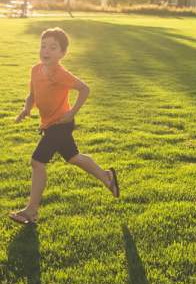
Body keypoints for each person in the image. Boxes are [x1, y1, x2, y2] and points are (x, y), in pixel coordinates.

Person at [8, 27, 118, 224]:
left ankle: (31, 211)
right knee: (74, 157)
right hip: (49, 125)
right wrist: (26, 109)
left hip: (61, 124)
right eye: (43, 46)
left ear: (62, 53)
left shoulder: (60, 74)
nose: (46, 51)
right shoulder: (35, 70)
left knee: (37, 162)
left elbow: (85, 89)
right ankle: (107, 177)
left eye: (53, 47)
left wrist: (71, 113)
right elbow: (32, 95)